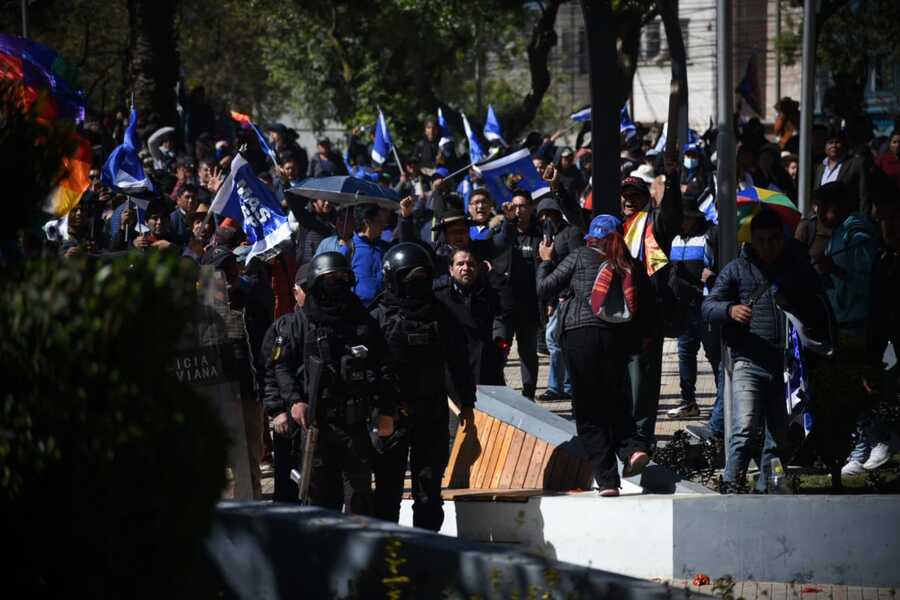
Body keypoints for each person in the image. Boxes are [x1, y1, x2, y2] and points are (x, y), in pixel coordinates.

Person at [703, 209, 827, 493]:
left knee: (779, 436)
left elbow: (818, 304)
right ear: (752, 241)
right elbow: (708, 307)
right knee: (744, 429)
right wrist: (730, 309)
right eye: (762, 240)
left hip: (787, 364)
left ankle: (767, 487)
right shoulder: (737, 269)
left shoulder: (797, 269)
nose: (769, 246)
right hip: (749, 360)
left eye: (774, 239)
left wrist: (797, 301)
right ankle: (731, 484)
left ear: (782, 239)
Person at [536, 214, 654, 496]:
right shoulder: (630, 264)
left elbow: (543, 288)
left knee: (590, 411)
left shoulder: (579, 256)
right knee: (618, 404)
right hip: (616, 340)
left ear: (591, 235)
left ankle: (608, 481)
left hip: (580, 336)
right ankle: (632, 450)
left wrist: (545, 260)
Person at [269, 252, 394, 513]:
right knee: (317, 500)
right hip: (316, 424)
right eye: (330, 278)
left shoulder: (360, 318)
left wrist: (385, 411)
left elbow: (383, 366)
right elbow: (281, 365)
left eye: (341, 277)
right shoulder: (301, 322)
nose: (337, 283)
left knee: (359, 499)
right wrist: (294, 401)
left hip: (355, 424)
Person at [370, 243, 476, 530]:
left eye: (421, 278)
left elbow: (459, 361)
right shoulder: (378, 318)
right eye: (409, 278)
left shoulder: (441, 315)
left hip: (432, 412)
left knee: (429, 492)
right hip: (391, 414)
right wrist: (377, 411)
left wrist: (467, 403)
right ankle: (387, 557)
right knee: (387, 492)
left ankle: (427, 555)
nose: (416, 285)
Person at [619, 167, 683, 448]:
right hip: (617, 314)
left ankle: (642, 439)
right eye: (625, 195)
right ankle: (624, 436)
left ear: (646, 198)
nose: (629, 200)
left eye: (635, 195)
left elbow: (672, 214)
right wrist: (558, 189)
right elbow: (580, 219)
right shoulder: (614, 227)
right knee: (621, 379)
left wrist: (672, 179)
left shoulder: (655, 223)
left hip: (647, 314)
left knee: (643, 379)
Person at [666, 193, 720, 419]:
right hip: (683, 308)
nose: (681, 222)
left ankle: (722, 402)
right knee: (685, 353)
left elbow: (726, 266)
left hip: (706, 306)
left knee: (714, 355)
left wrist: (713, 277)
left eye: (684, 218)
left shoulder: (711, 236)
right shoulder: (675, 238)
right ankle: (688, 401)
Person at [262, 263, 310, 502]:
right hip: (288, 421)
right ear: (295, 292)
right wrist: (277, 410)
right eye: (305, 290)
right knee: (288, 487)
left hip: (317, 418)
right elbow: (271, 372)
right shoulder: (283, 327)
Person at [489, 189, 542, 399]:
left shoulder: (540, 235)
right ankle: (499, 392)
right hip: (503, 305)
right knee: (499, 348)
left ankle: (528, 394)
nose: (519, 210)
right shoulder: (502, 233)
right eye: (515, 206)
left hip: (528, 305)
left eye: (523, 206)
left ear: (531, 208)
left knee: (528, 352)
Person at [534, 193, 584, 401]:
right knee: (555, 341)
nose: (546, 219)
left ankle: (561, 386)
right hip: (557, 297)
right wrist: (551, 302)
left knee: (555, 340)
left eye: (550, 214)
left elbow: (575, 264)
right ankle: (563, 386)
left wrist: (568, 294)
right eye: (542, 215)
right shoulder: (546, 238)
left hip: (569, 296)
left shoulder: (571, 233)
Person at [434, 248, 507, 386]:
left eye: (471, 264)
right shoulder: (440, 297)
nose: (466, 268)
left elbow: (507, 307)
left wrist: (493, 276)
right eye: (460, 264)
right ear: (450, 269)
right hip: (453, 372)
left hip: (485, 369)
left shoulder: (488, 293)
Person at [814, 129, 870, 215]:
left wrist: (863, 219)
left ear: (844, 145)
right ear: (825, 148)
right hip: (823, 219)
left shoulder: (857, 164)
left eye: (837, 142)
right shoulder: (820, 168)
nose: (834, 146)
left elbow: (864, 195)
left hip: (848, 218)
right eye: (830, 143)